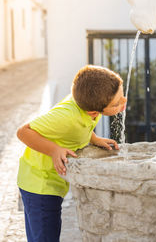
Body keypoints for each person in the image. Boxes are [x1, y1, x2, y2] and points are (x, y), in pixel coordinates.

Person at [17, 65, 127, 242]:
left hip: (52, 182)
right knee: (45, 237)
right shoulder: (65, 117)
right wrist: (54, 150)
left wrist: (94, 138)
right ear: (94, 111)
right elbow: (23, 132)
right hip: (39, 183)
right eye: (117, 103)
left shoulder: (88, 104)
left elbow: (82, 123)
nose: (124, 102)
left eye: (122, 96)